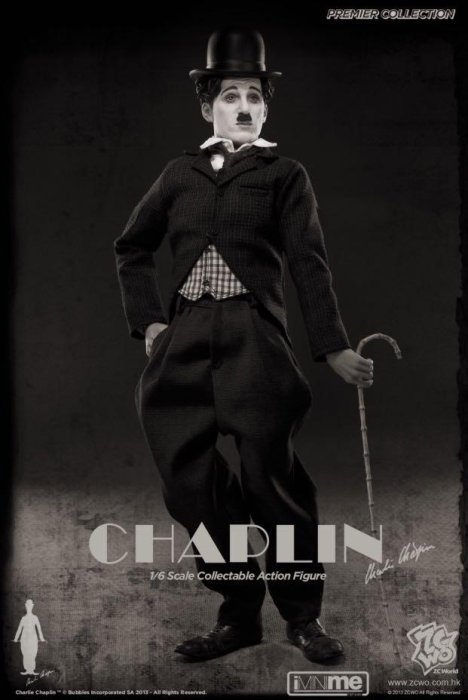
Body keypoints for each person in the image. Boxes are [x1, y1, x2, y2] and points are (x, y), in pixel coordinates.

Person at [114, 26, 374, 663]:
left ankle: (303, 617)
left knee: (272, 485)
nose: (244, 107)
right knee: (191, 487)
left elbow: (308, 262)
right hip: (184, 339)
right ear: (208, 106)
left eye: (254, 96)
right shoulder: (179, 174)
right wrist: (150, 323)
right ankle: (239, 613)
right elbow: (132, 247)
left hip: (255, 341)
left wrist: (331, 346)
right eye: (231, 96)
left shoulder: (282, 173)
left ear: (266, 107)